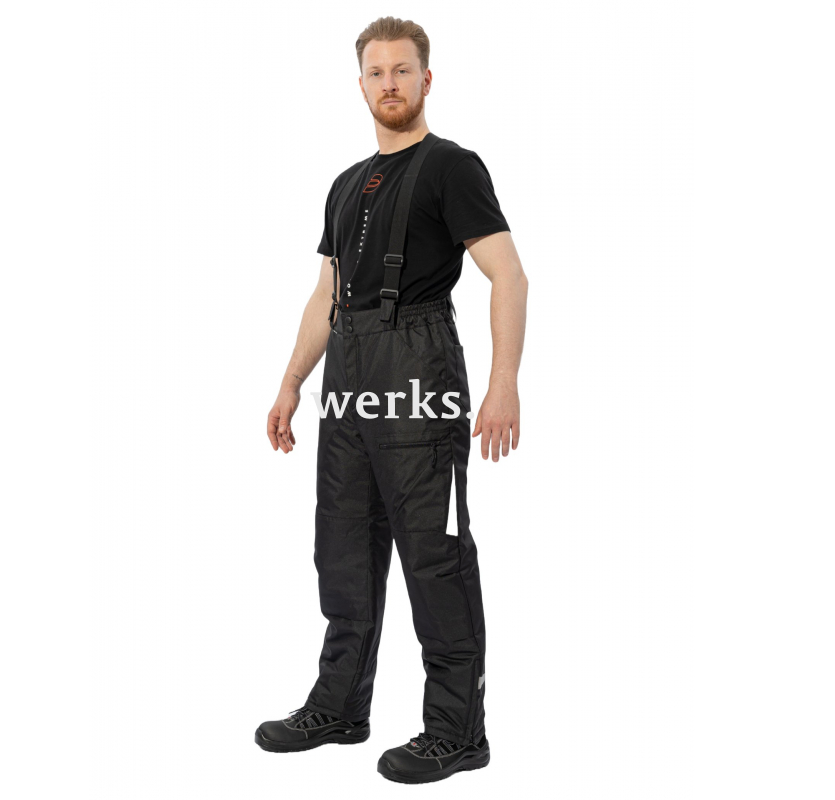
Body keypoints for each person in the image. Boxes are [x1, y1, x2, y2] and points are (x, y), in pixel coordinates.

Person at [256, 16, 528, 784]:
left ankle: (456, 731)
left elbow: (508, 274)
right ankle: (340, 705)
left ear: (426, 79)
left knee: (434, 554)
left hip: (419, 370)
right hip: (348, 378)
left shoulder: (452, 167)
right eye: (376, 72)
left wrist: (504, 381)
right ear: (361, 85)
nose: (390, 84)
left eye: (402, 70)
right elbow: (327, 295)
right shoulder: (345, 185)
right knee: (342, 545)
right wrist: (291, 381)